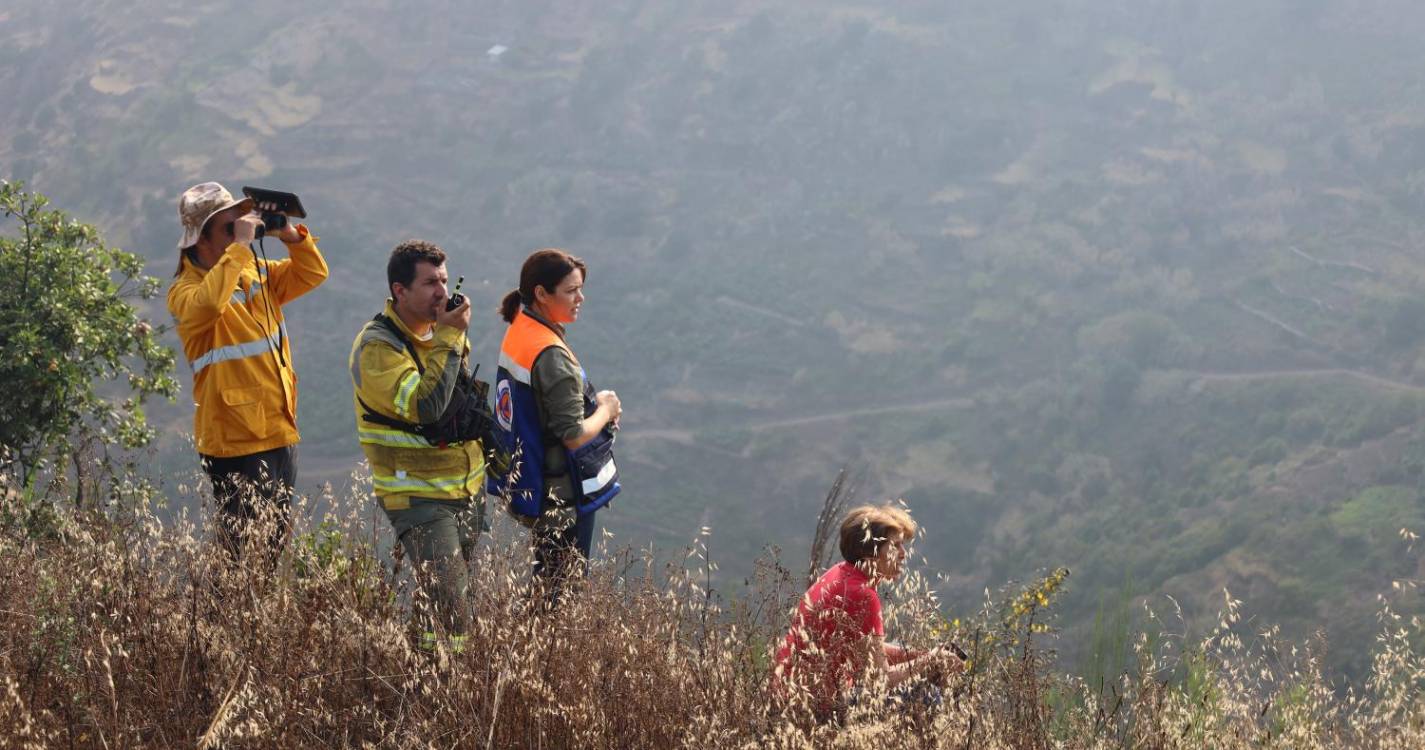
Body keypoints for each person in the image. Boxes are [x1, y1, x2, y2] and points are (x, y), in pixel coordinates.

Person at [168, 182, 328, 560]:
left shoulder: (254, 274)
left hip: (276, 427)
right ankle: (223, 618)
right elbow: (208, 306)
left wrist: (287, 234)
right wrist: (241, 247)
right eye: (229, 227)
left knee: (270, 550)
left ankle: (250, 619)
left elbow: (312, 274)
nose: (241, 229)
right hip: (235, 440)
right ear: (201, 238)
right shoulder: (184, 292)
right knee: (240, 555)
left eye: (242, 223)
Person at [349, 240, 488, 651]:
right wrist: (449, 337)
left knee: (440, 602)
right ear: (400, 290)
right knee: (453, 606)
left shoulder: (441, 335)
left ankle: (417, 687)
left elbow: (457, 407)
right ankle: (450, 693)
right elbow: (426, 408)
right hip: (417, 495)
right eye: (430, 283)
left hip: (464, 490)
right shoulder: (378, 347)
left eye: (444, 280)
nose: (442, 292)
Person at [489, 248, 622, 605]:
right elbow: (573, 436)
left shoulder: (522, 330)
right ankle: (544, 658)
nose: (581, 298)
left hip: (532, 482)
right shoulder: (550, 353)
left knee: (548, 583)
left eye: (581, 288)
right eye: (571, 290)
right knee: (561, 594)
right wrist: (606, 410)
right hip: (561, 495)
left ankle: (534, 652)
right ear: (541, 294)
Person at [772, 504, 962, 720]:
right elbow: (879, 680)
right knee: (929, 696)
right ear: (869, 553)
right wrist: (932, 660)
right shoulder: (861, 594)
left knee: (919, 665)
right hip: (814, 707)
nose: (903, 554)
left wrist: (920, 657)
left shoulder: (840, 573)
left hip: (789, 696)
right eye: (895, 546)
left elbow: (867, 648)